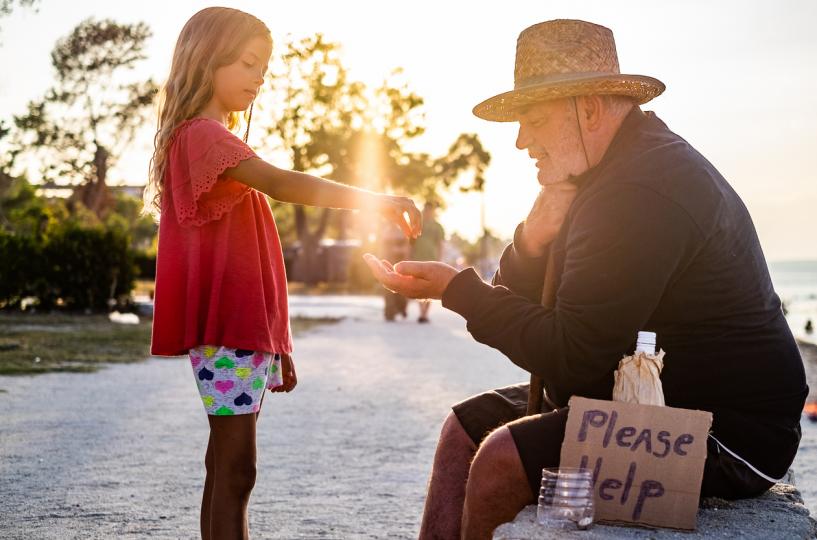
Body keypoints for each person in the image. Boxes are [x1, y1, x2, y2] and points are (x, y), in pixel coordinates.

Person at [364, 19, 808, 540]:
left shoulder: (639, 190)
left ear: (589, 109)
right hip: (648, 392)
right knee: (464, 429)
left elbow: (571, 355)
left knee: (500, 460)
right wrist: (533, 239)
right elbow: (524, 304)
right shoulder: (602, 173)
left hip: (727, 434)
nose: (522, 142)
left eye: (531, 120)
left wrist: (455, 291)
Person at [143, 8, 421, 539]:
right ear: (207, 59)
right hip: (228, 331)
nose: (259, 77)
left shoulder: (207, 137)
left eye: (263, 68)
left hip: (243, 332)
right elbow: (286, 183)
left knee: (225, 466)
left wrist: (278, 343)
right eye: (248, 63)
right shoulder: (204, 137)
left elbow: (250, 258)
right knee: (237, 470)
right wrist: (377, 199)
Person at [410, 203, 445, 323]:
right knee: (418, 285)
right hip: (418, 257)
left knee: (430, 287)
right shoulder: (418, 223)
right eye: (426, 210)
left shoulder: (438, 227)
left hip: (432, 258)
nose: (427, 212)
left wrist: (440, 259)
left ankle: (425, 314)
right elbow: (411, 241)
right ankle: (421, 312)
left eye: (430, 210)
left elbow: (440, 244)